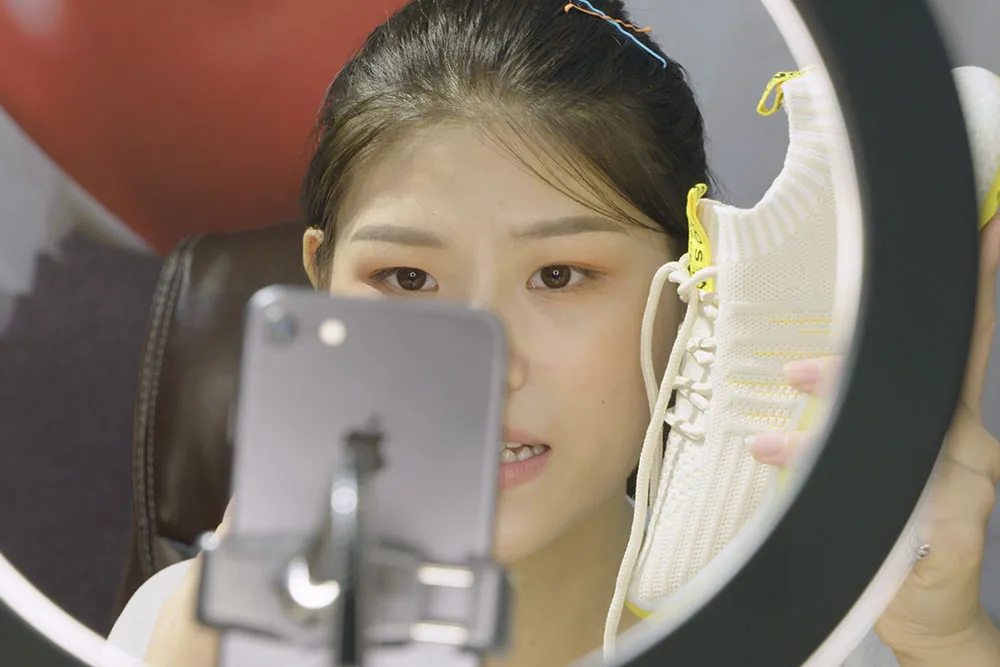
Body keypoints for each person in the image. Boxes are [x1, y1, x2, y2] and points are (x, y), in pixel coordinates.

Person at [108, 1, 1000, 665]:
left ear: (687, 296)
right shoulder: (184, 631)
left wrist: (941, 640)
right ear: (322, 288)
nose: (486, 367)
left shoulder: (825, 631)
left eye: (560, 276)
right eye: (407, 279)